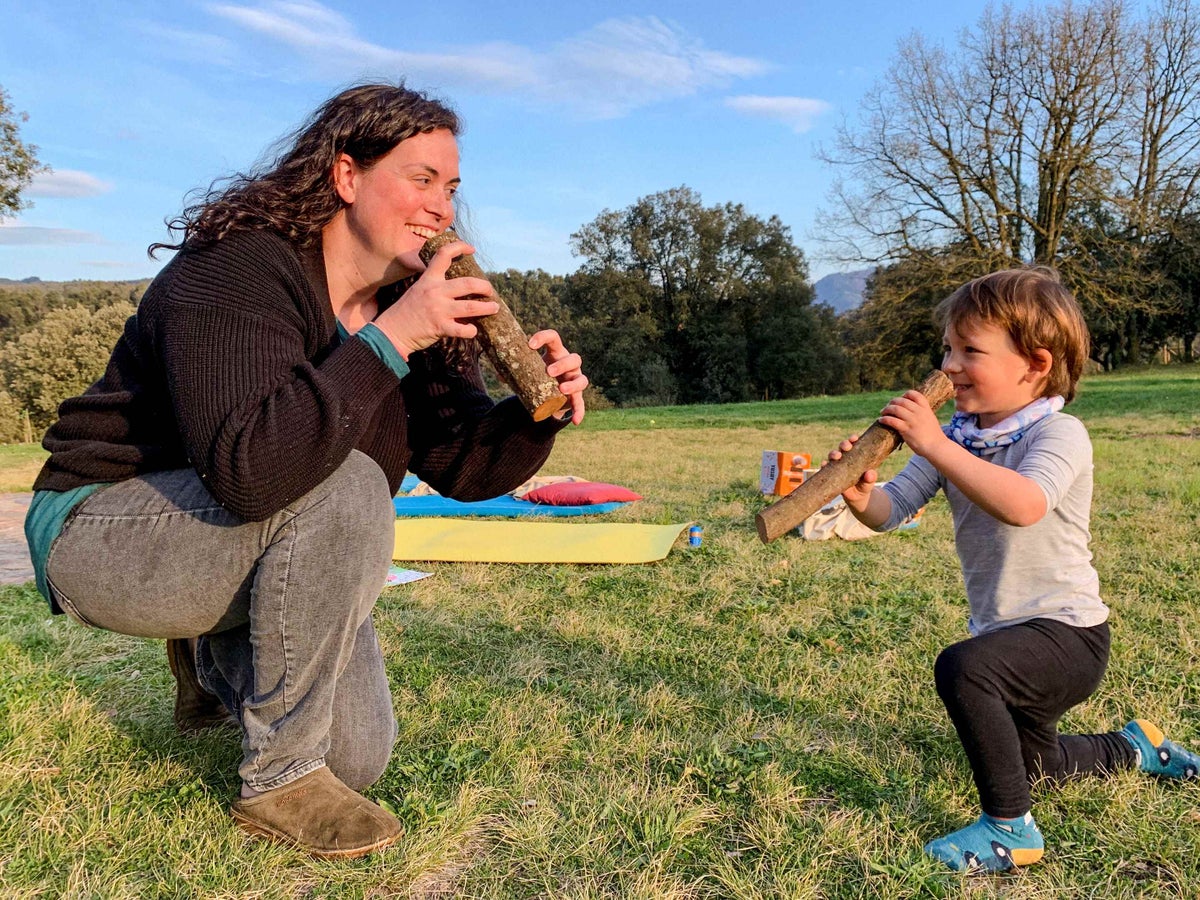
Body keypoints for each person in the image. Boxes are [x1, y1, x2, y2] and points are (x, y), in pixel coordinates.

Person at [23, 82, 588, 860]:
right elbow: (249, 471)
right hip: (105, 526)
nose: (442, 209)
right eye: (421, 179)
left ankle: (218, 654)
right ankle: (280, 779)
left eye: (451, 188)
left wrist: (535, 413)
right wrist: (389, 341)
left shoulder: (407, 306)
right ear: (346, 176)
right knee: (350, 479)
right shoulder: (240, 268)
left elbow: (460, 465)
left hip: (233, 531)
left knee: (357, 758)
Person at [831, 267, 1199, 874]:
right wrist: (858, 492)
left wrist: (935, 444)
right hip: (1004, 633)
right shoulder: (961, 438)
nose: (949, 365)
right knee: (1037, 768)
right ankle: (1136, 748)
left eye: (969, 350)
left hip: (1068, 635)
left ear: (1034, 364)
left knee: (964, 670)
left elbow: (1025, 504)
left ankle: (1010, 832)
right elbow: (890, 511)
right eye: (947, 348)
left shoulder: (1060, 434)